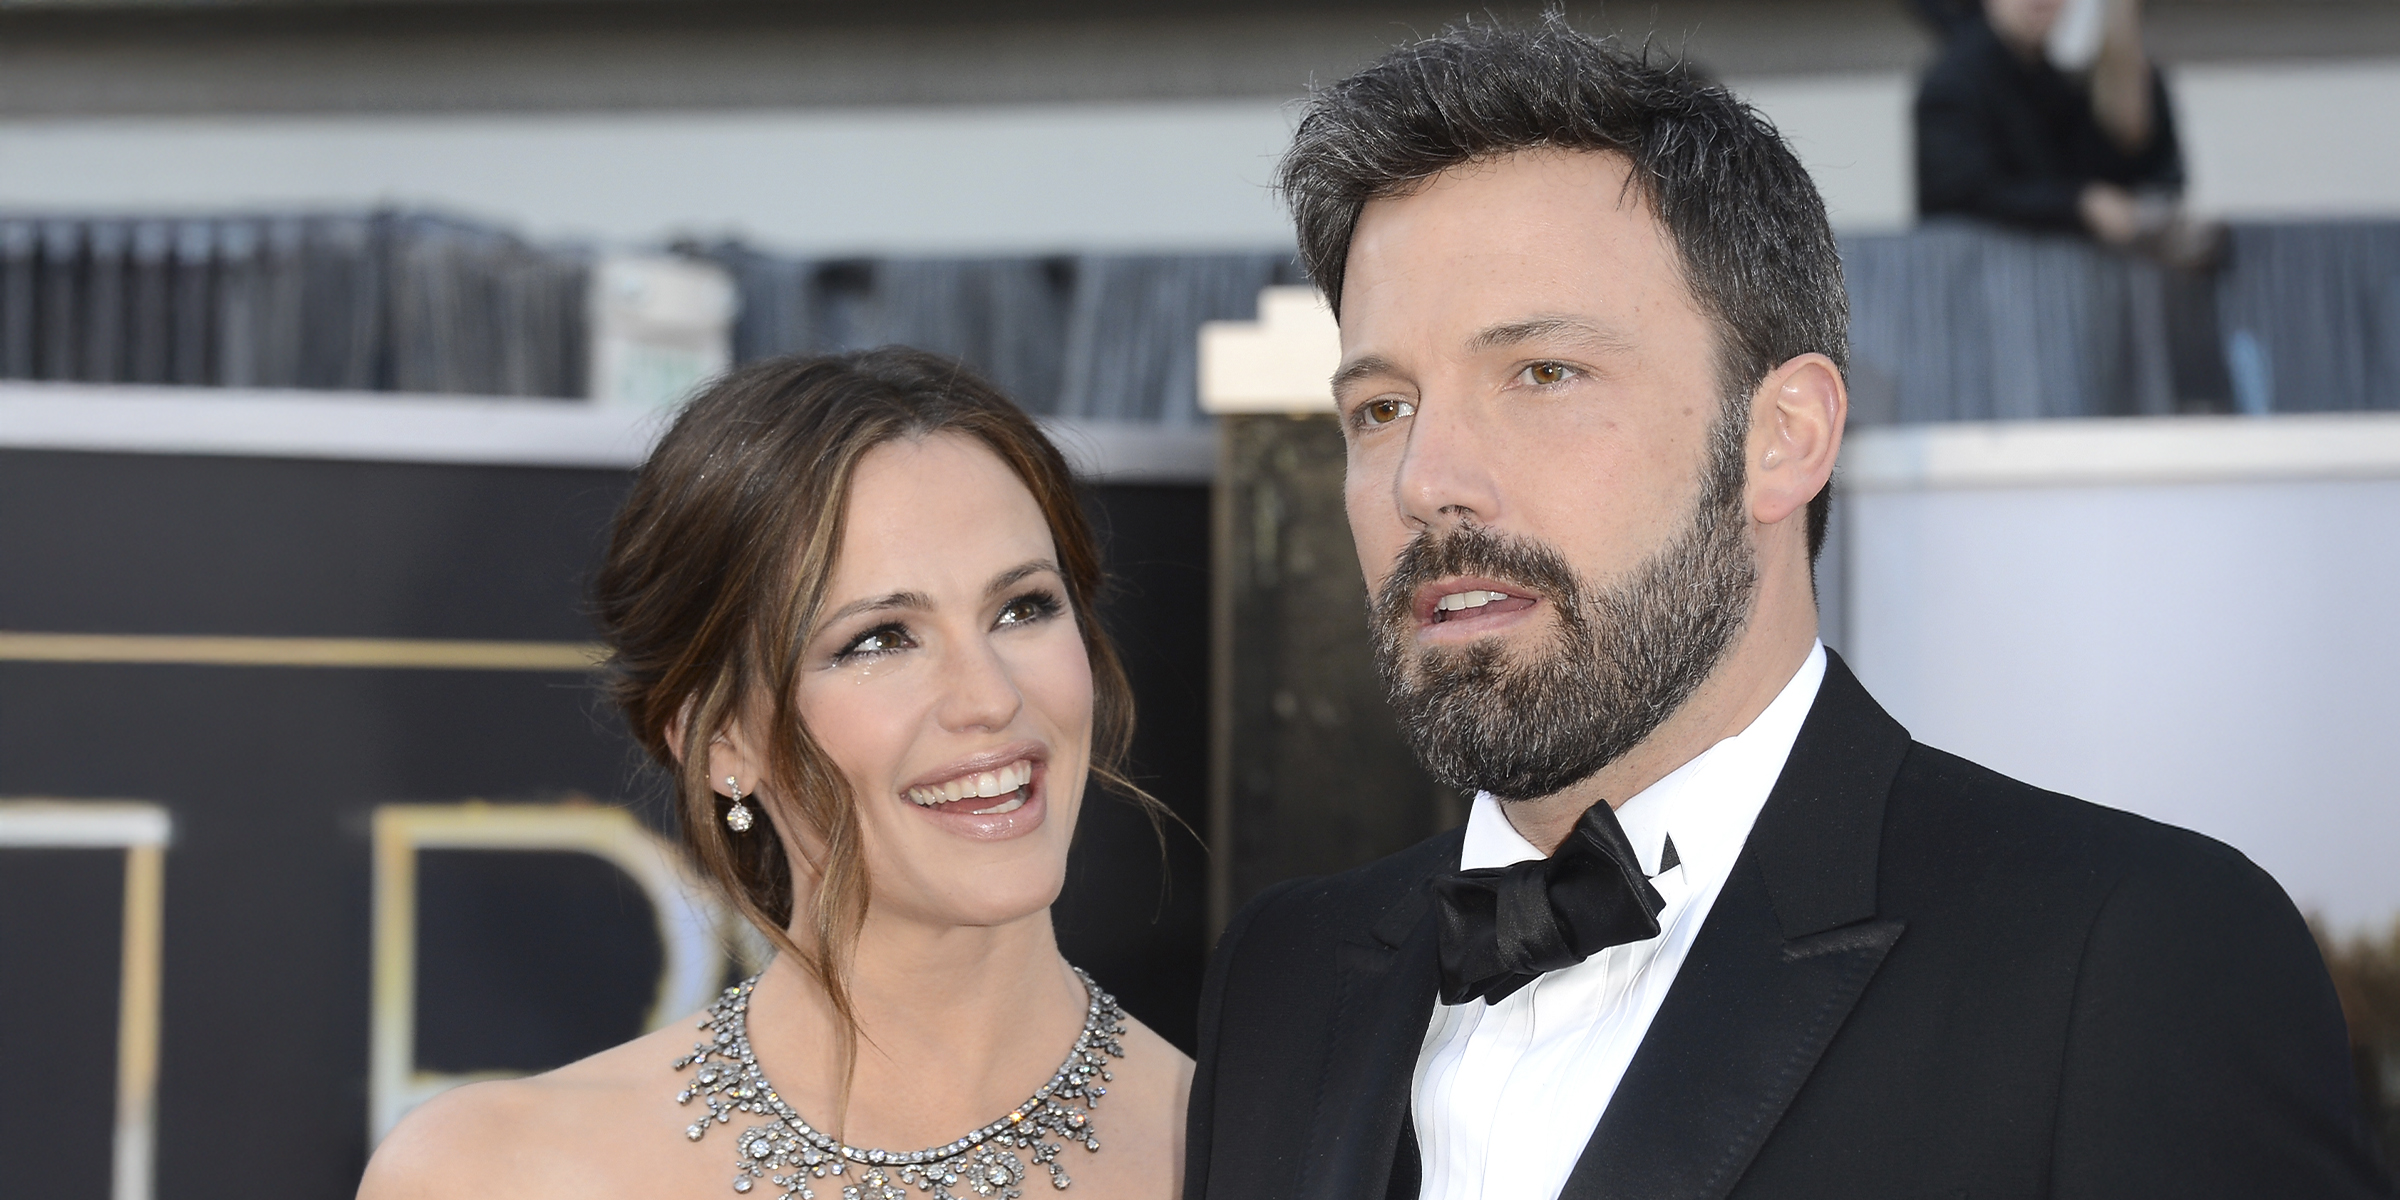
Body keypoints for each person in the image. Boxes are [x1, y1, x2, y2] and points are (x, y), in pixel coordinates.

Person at [1185, 19, 2391, 1200]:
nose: (1423, 480)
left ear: (1783, 436)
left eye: (1542, 374)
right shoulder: (1282, 980)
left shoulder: (2127, 958)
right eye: (1380, 408)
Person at [359, 349, 1191, 1200]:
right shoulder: (492, 1176)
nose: (989, 698)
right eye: (878, 639)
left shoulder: (1254, 1156)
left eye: (1023, 608)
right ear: (720, 739)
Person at [1917, 0, 2216, 266]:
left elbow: (2143, 175)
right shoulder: (1958, 82)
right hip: (1978, 287)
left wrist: (2120, 37)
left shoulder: (2058, 80)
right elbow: (1964, 193)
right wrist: (2081, 205)